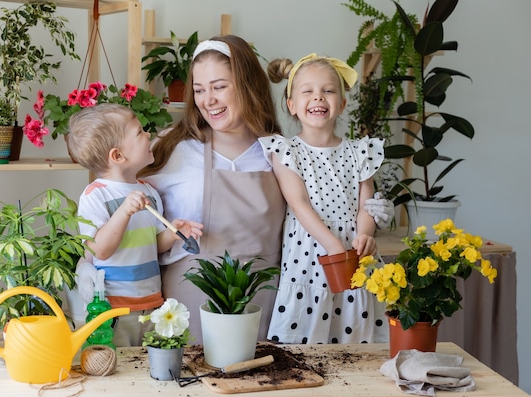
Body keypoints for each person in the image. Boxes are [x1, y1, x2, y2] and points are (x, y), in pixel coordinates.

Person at [139, 36, 394, 344]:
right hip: (192, 305)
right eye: (199, 90)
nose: (208, 100)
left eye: (219, 87)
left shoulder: (279, 152)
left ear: (247, 85)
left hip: (265, 306)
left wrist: (370, 214)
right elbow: (134, 231)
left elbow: (326, 207)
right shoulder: (174, 150)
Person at [260, 53, 388, 344]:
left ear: (341, 104)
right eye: (308, 91)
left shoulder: (359, 151)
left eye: (328, 91)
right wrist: (331, 245)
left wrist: (365, 234)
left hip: (355, 251)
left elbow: (365, 204)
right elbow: (299, 204)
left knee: (355, 326)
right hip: (311, 249)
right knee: (308, 329)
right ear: (292, 105)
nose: (318, 98)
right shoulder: (286, 150)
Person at [67, 103, 203, 347]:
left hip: (151, 302)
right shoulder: (95, 195)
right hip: (115, 307)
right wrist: (124, 211)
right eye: (139, 132)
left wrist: (173, 234)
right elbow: (101, 249)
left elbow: (154, 245)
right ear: (118, 156)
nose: (148, 134)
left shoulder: (148, 191)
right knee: (120, 367)